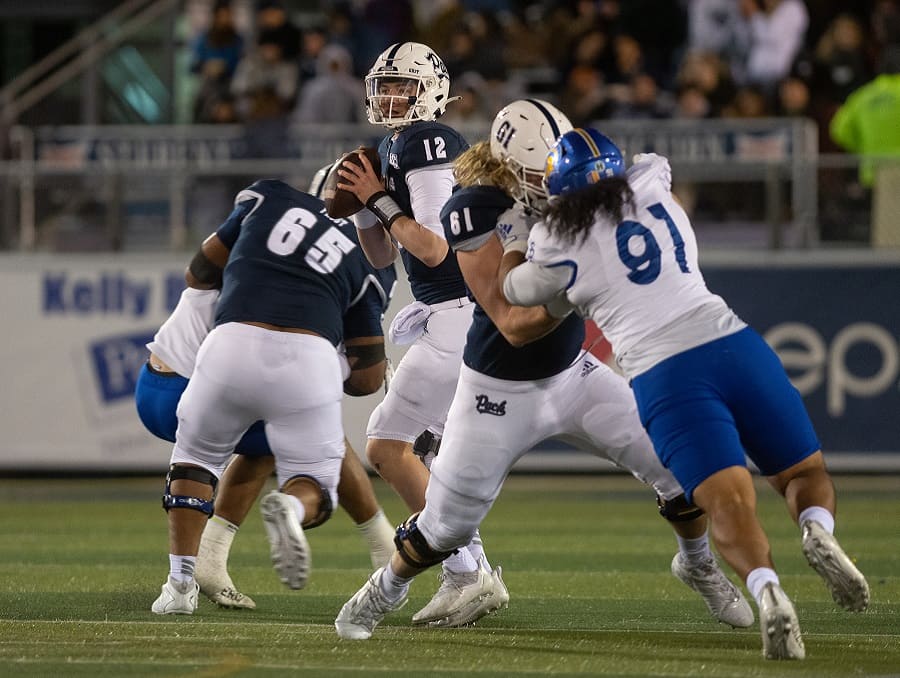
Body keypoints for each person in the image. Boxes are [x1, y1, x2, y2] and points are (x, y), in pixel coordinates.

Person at [333, 99, 754, 641]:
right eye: (536, 172)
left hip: (573, 373)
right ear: (508, 169)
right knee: (444, 525)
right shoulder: (472, 211)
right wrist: (572, 290)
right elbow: (511, 322)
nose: (551, 181)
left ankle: (698, 564)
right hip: (498, 390)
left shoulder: (578, 187)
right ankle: (380, 593)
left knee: (682, 466)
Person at [500, 128, 870, 659]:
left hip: (664, 374)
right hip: (731, 342)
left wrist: (516, 235)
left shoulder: (556, 238)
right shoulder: (650, 181)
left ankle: (768, 592)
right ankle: (817, 529)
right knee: (804, 473)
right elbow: (652, 165)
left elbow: (515, 291)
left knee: (727, 502)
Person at [148, 175, 397, 615]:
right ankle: (295, 507)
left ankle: (180, 585)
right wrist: (337, 363)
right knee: (315, 473)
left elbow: (199, 273)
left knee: (195, 461)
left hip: (211, 354)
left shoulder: (267, 198)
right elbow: (367, 378)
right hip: (306, 360)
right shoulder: (370, 257)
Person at [333, 41, 507, 628]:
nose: (388, 97)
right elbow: (382, 253)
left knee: (387, 445)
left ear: (430, 90)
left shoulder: (427, 140)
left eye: (401, 87)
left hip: (458, 314)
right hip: (448, 317)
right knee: (415, 451)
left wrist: (379, 198)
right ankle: (467, 569)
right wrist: (362, 208)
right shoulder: (393, 145)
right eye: (382, 86)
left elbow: (432, 246)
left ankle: (468, 570)